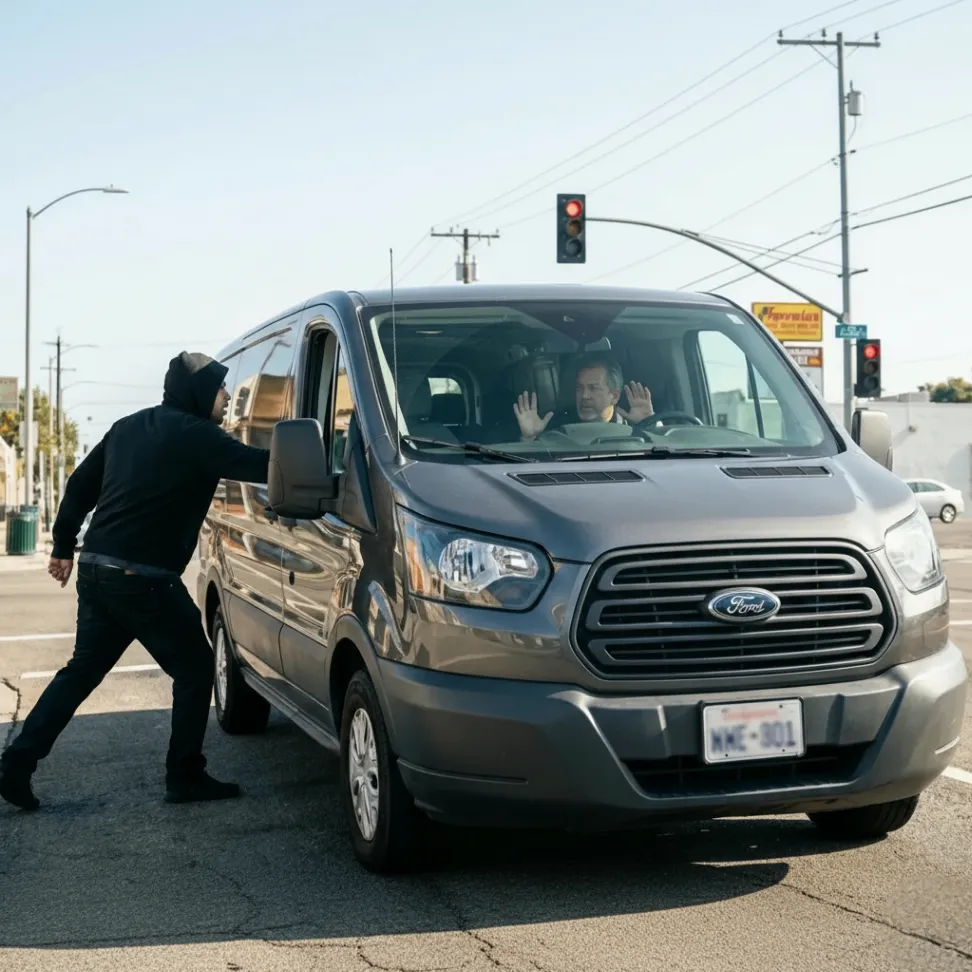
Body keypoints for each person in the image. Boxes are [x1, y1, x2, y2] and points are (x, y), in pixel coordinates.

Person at [0, 351, 270, 811]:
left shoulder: (127, 427)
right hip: (144, 580)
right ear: (200, 392)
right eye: (221, 388)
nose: (227, 397)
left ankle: (14, 766)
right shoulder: (199, 435)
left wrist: (64, 544)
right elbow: (261, 466)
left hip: (98, 569)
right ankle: (184, 775)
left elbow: (80, 484)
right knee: (195, 667)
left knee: (81, 672)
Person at [513, 352, 655, 441]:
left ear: (614, 396)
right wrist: (529, 439)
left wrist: (650, 426)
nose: (585, 396)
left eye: (594, 388)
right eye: (579, 388)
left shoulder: (633, 430)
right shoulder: (556, 430)